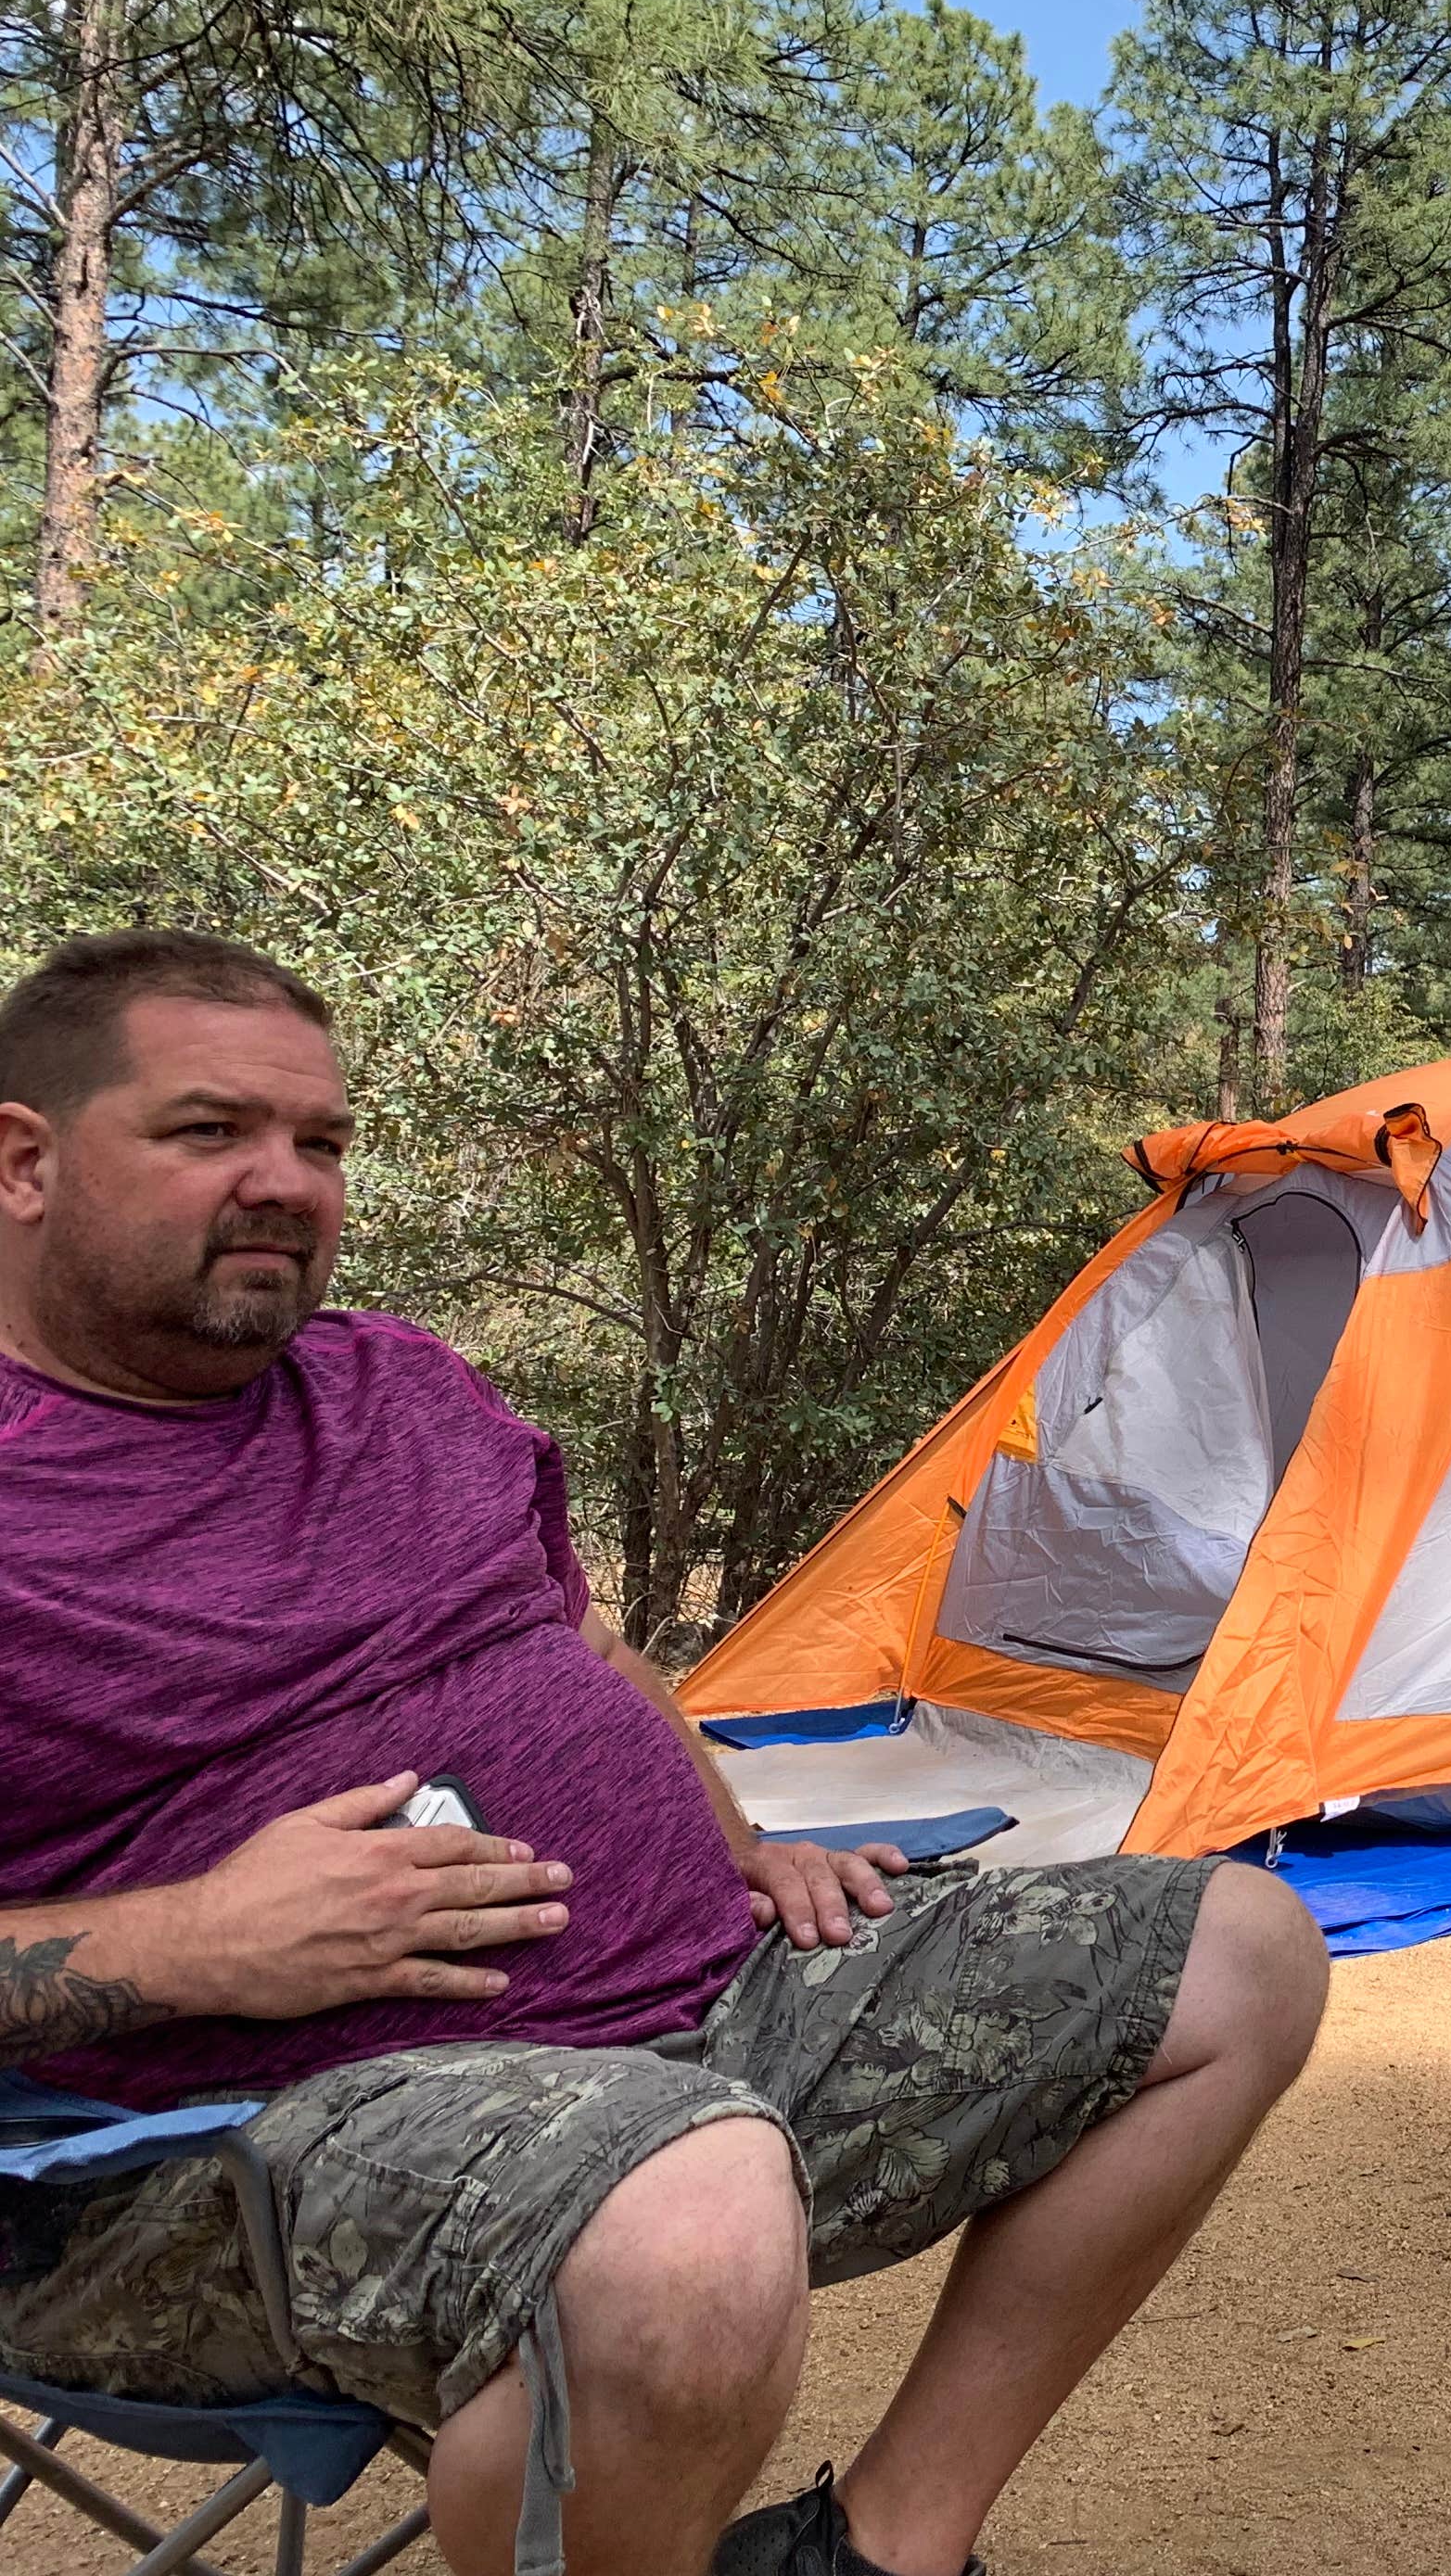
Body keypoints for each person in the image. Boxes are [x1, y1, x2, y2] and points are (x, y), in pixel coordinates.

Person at [0, 931, 1329, 2576]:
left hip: (699, 2014)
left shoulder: (398, 1388)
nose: (285, 1182)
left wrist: (736, 1837)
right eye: (211, 1132)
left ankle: (879, 2551)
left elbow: (590, 1651)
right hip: (220, 2149)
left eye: (321, 1143)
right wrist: (196, 1939)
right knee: (682, 2220)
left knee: (1236, 1951)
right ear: (25, 1163)